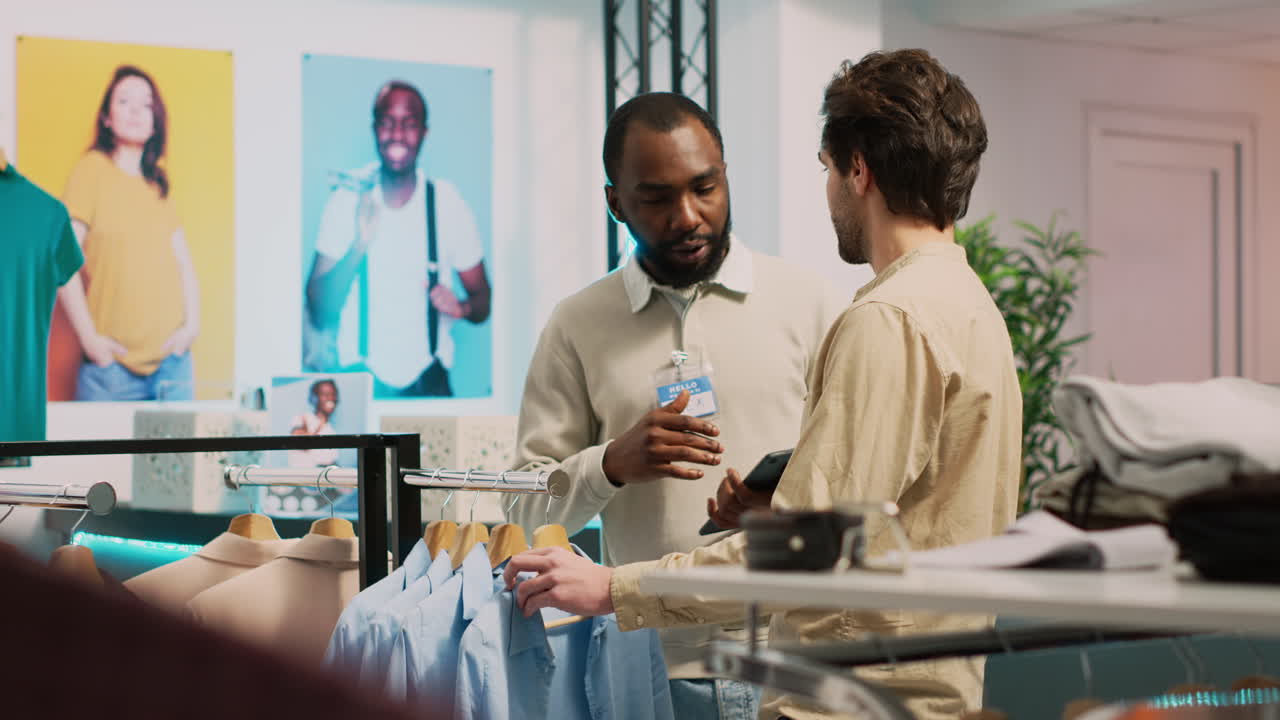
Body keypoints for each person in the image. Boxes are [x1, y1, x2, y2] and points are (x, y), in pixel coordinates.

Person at [503, 49, 1023, 720]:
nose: (686, 215)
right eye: (657, 197)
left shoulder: (880, 317)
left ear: (856, 169)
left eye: (827, 170)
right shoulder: (967, 302)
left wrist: (612, 588)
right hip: (893, 684)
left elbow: (812, 554)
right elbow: (883, 517)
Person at [507, 91, 847, 720]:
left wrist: (788, 506)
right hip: (648, 669)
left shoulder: (812, 304)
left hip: (794, 663)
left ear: (726, 179)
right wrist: (609, 464)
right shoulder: (577, 324)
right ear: (616, 202)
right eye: (657, 198)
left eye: (705, 187)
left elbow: (861, 484)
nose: (687, 215)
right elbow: (522, 508)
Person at [305, 80, 490, 398]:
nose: (398, 135)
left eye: (409, 124)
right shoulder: (347, 200)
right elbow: (318, 307)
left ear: (424, 132)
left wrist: (461, 307)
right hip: (359, 385)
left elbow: (482, 301)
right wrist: (359, 245)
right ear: (375, 128)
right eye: (388, 123)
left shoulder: (447, 202)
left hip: (429, 386)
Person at [57, 64, 200, 401]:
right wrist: (91, 342)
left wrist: (191, 329)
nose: (136, 110)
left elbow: (184, 265)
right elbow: (61, 260)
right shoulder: (91, 169)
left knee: (180, 457)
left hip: (173, 365)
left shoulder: (157, 183)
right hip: (111, 371)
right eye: (124, 101)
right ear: (106, 117)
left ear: (156, 120)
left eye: (146, 103)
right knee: (102, 456)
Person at [286, 378, 340, 468]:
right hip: (306, 478)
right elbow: (300, 442)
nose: (330, 398)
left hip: (324, 478)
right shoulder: (303, 418)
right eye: (325, 394)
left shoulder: (330, 428)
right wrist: (320, 425)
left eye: (333, 394)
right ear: (314, 397)